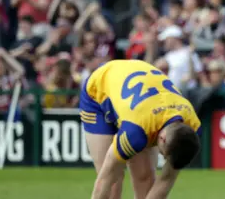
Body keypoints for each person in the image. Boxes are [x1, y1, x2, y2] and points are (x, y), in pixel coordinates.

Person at [80, 60, 201, 199]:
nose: (162, 157)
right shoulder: (137, 131)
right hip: (98, 91)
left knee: (145, 177)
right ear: (162, 138)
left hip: (142, 98)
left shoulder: (192, 128)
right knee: (113, 183)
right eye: (164, 154)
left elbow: (167, 180)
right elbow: (104, 180)